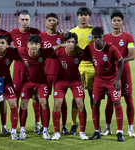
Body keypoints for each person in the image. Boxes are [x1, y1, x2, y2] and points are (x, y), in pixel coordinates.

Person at [17, 35, 64, 140]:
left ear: (40, 45)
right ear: (28, 44)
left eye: (36, 44)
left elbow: (56, 47)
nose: (34, 46)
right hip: (27, 81)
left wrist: (64, 43)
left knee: (45, 103)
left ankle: (45, 130)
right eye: (32, 44)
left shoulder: (44, 52)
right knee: (23, 103)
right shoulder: (21, 50)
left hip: (42, 82)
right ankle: (22, 130)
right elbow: (9, 49)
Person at [86, 27, 125, 142]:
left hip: (112, 79)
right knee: (95, 103)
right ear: (92, 38)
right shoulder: (89, 48)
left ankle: (119, 132)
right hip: (98, 79)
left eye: (100, 37)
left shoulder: (111, 48)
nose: (98, 40)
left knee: (117, 103)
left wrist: (117, 79)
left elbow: (121, 61)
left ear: (103, 37)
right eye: (95, 37)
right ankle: (97, 131)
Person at [102, 11, 135, 138]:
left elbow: (132, 55)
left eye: (119, 20)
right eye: (114, 20)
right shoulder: (105, 38)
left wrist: (119, 60)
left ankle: (130, 128)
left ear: (122, 22)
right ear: (111, 22)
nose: (116, 22)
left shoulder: (128, 37)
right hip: (110, 74)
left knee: (128, 98)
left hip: (124, 72)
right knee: (110, 100)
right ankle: (108, 127)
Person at [51, 32, 89, 140]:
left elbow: (90, 57)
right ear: (65, 43)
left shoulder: (80, 53)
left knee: (80, 103)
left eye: (73, 42)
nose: (71, 44)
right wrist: (60, 45)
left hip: (76, 80)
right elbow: (48, 51)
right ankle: (56, 132)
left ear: (76, 43)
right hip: (61, 80)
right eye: (68, 42)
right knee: (57, 104)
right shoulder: (59, 52)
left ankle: (82, 132)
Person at [10, 10, 41, 133]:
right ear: (19, 20)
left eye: (26, 19)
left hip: (33, 69)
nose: (24, 22)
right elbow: (1, 40)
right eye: (22, 19)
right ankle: (16, 125)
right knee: (17, 96)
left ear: (30, 20)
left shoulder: (36, 33)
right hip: (18, 69)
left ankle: (37, 123)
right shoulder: (13, 33)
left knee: (35, 95)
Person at [39, 13, 68, 135]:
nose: (51, 22)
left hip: (59, 73)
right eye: (49, 20)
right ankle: (43, 126)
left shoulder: (62, 37)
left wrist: (65, 37)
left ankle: (64, 126)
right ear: (45, 23)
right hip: (44, 73)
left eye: (54, 20)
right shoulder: (40, 37)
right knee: (43, 100)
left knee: (61, 101)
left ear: (57, 23)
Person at [69, 7, 94, 135]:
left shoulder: (94, 31)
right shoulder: (72, 31)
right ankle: (74, 124)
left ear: (89, 17)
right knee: (76, 97)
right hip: (77, 67)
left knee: (93, 97)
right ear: (77, 17)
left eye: (86, 15)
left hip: (91, 67)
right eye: (81, 15)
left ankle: (96, 125)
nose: (83, 17)